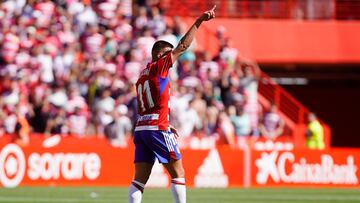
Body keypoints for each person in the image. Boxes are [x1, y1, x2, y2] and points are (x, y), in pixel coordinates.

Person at [128, 6, 216, 203]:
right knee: (178, 172)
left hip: (142, 128)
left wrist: (166, 123)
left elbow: (151, 104)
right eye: (169, 53)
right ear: (160, 55)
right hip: (156, 128)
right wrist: (199, 21)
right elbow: (183, 46)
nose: (173, 57)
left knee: (139, 180)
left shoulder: (143, 75)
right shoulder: (160, 66)